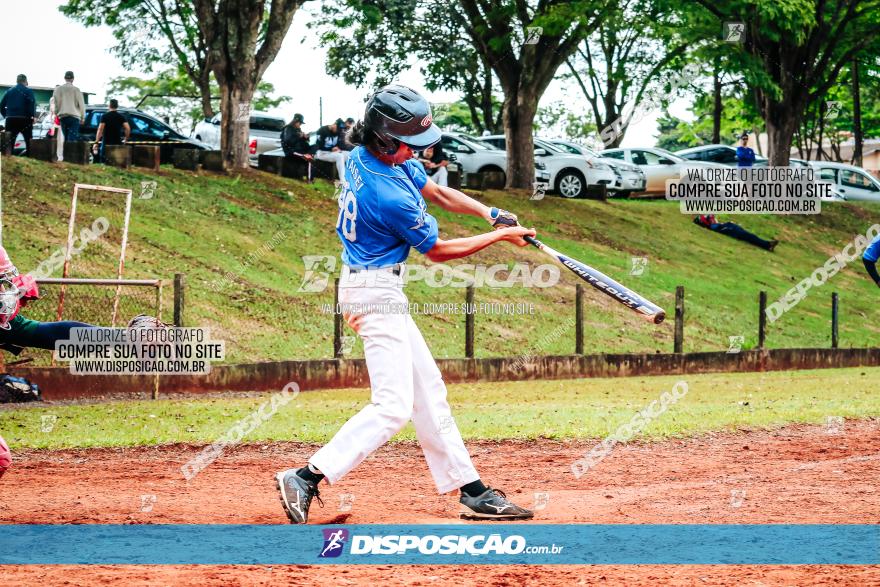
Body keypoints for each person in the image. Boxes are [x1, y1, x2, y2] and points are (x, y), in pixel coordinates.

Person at [275, 84, 536, 524]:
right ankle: (307, 476)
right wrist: (500, 238)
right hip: (373, 293)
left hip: (376, 288)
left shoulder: (366, 157)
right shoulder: (387, 194)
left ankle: (472, 491)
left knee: (428, 391)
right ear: (384, 139)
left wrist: (490, 214)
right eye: (409, 145)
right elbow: (438, 250)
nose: (418, 153)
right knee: (393, 406)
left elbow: (437, 193)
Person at [694, 215, 778, 251]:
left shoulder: (714, 225)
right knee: (751, 237)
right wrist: (731, 225)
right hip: (735, 231)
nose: (714, 219)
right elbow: (724, 228)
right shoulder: (713, 226)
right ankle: (767, 245)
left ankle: (767, 245)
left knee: (752, 237)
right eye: (711, 219)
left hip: (734, 229)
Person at [0, 74, 36, 156]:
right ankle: (29, 158)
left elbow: (1, 106)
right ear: (25, 81)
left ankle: (9, 159)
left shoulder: (9, 91)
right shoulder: (28, 91)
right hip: (25, 119)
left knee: (10, 142)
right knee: (28, 141)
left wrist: (6, 115)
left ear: (17, 81)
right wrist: (32, 116)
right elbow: (31, 103)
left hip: (11, 120)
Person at [52, 71, 85, 143]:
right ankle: (70, 153)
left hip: (63, 117)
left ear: (64, 78)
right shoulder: (76, 90)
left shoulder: (58, 90)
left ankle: (66, 153)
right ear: (73, 79)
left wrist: (56, 113)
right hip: (74, 118)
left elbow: (56, 104)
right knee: (72, 139)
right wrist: (83, 117)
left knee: (66, 138)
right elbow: (82, 105)